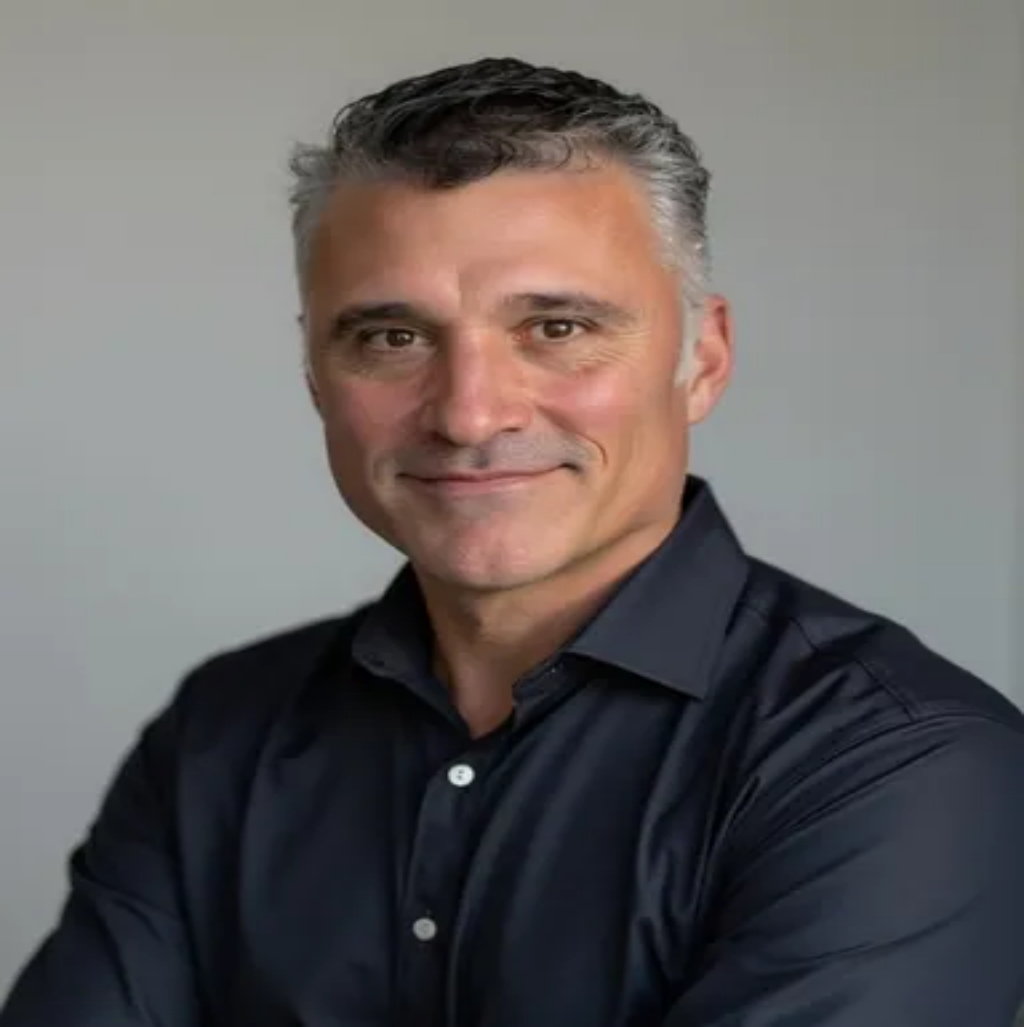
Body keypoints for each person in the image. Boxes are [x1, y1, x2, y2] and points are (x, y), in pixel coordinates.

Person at [3, 55, 1023, 1027]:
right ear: (316, 375)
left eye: (557, 328)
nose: (469, 413)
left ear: (703, 360)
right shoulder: (224, 735)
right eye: (393, 337)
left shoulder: (904, 765)